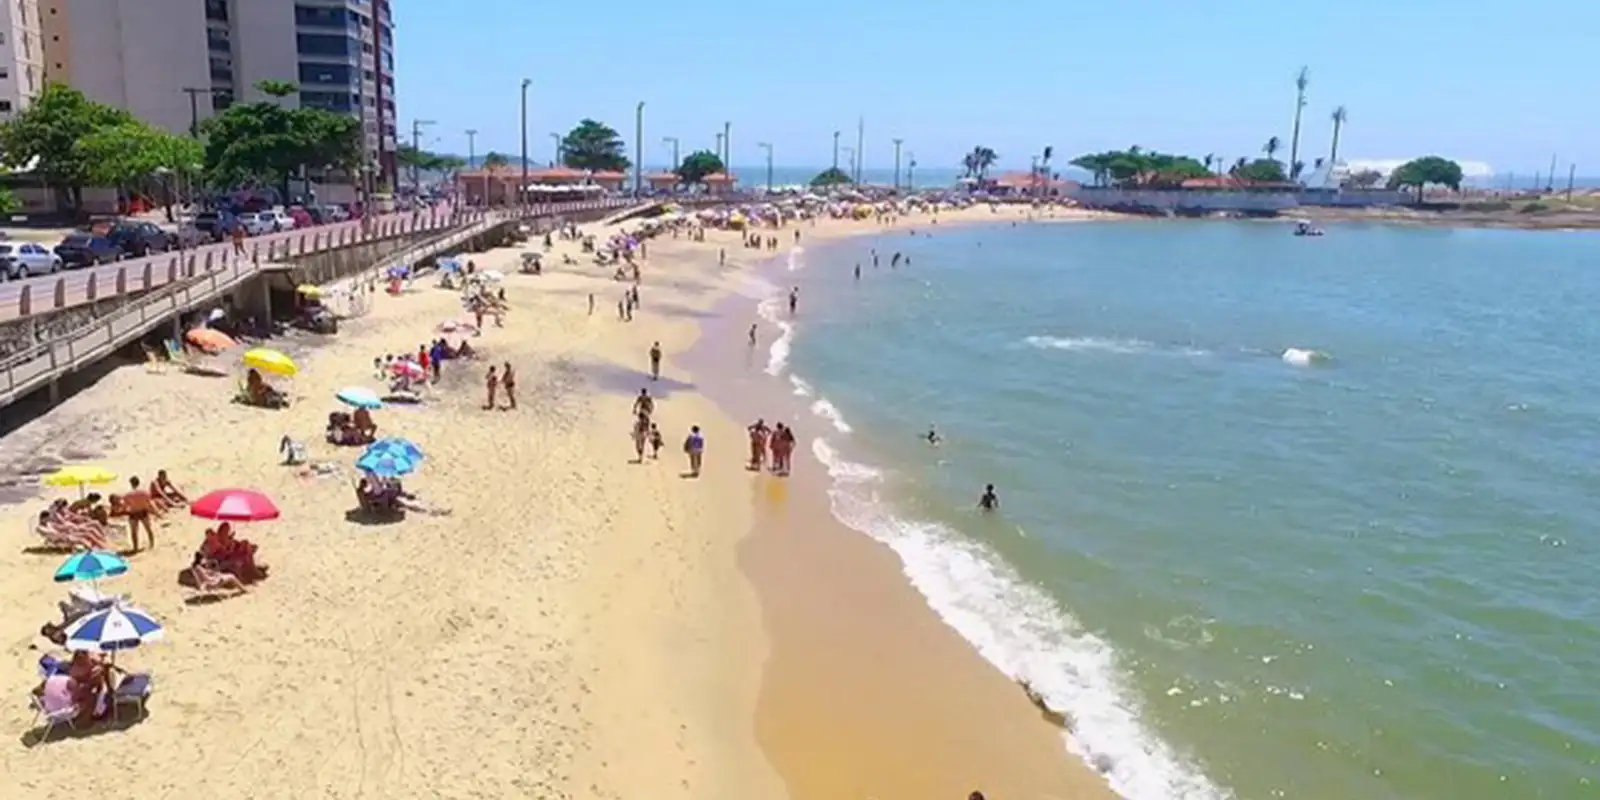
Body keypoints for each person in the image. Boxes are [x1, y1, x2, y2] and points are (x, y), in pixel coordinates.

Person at [123, 476, 156, 552]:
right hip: (143, 512)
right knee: (148, 529)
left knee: (134, 532)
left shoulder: (127, 495)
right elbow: (149, 503)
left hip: (133, 513)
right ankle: (151, 544)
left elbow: (126, 506)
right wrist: (154, 512)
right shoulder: (145, 492)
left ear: (131, 483)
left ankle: (135, 548)